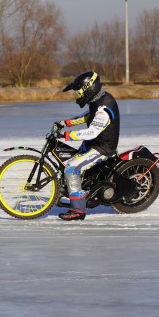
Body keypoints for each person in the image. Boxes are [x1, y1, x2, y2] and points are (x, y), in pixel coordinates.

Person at [52, 71, 121, 221]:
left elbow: (91, 132)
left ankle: (78, 210)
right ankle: (80, 188)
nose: (78, 95)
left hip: (102, 147)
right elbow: (88, 116)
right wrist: (65, 123)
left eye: (79, 92)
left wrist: (66, 135)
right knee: (70, 159)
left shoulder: (104, 107)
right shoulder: (98, 100)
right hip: (93, 143)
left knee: (71, 169)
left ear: (88, 88)